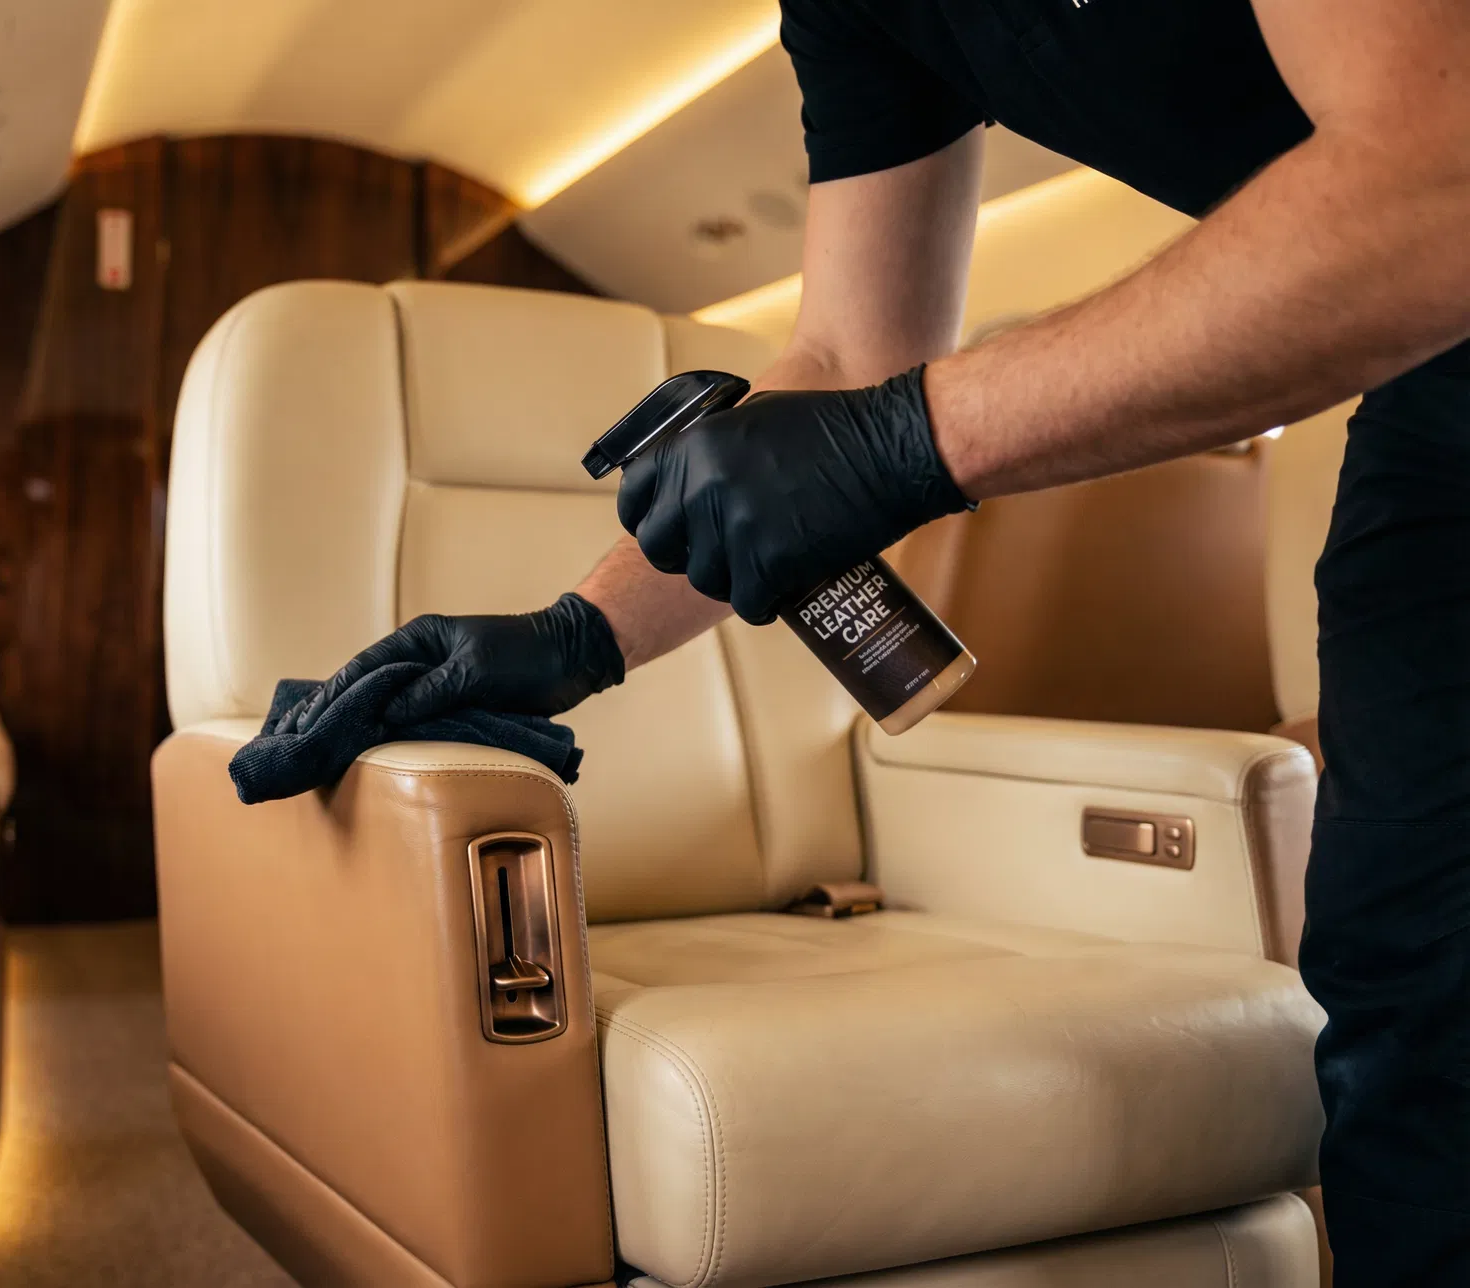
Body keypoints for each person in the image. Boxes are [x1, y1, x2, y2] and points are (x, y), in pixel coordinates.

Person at [292, 4, 1470, 1281]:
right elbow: (851, 355)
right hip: (1442, 389)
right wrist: (576, 634)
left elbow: (1436, 174)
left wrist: (904, 443)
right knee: (1412, 979)